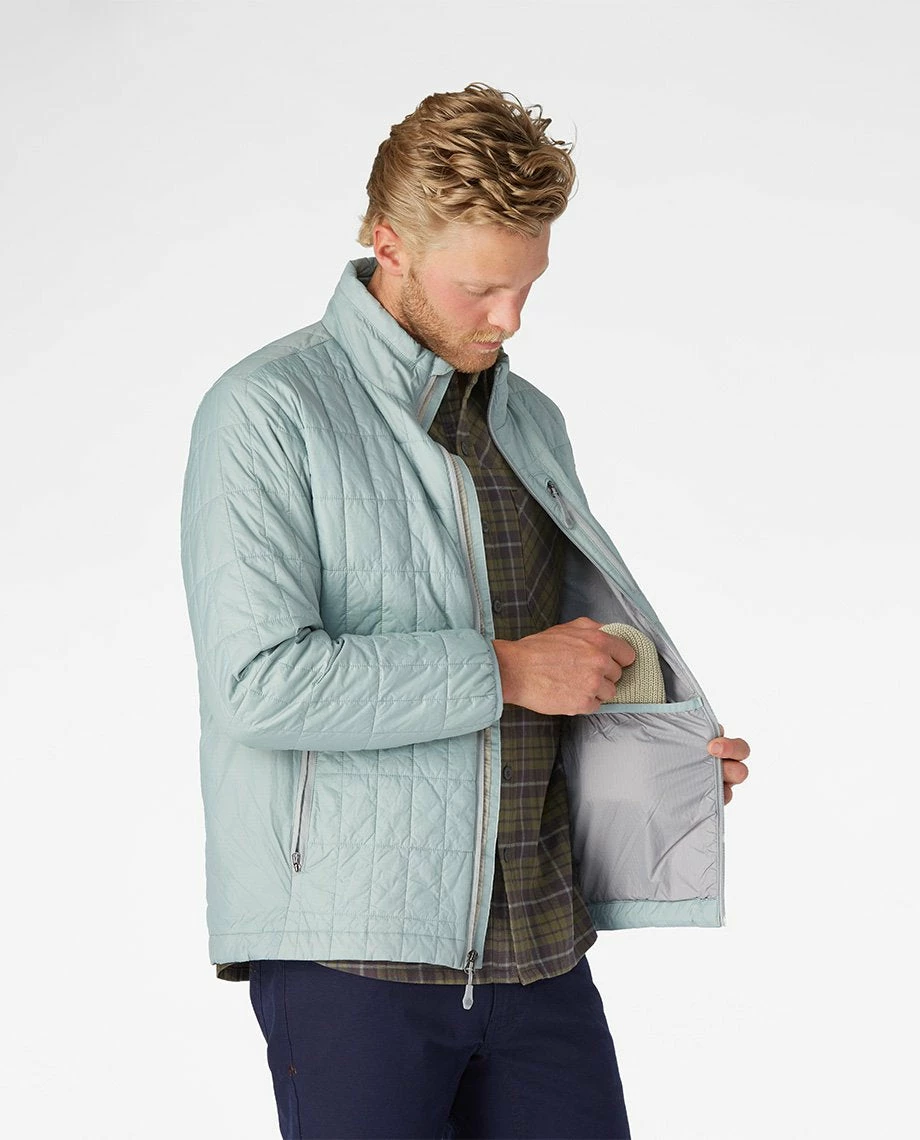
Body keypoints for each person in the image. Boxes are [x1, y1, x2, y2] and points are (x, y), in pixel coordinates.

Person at [180, 82, 750, 1140]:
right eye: (480, 288)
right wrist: (505, 668)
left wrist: (655, 760)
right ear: (387, 245)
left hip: (540, 947)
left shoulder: (528, 420)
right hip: (354, 959)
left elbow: (564, 660)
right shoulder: (268, 411)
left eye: (527, 286)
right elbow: (259, 686)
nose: (509, 319)